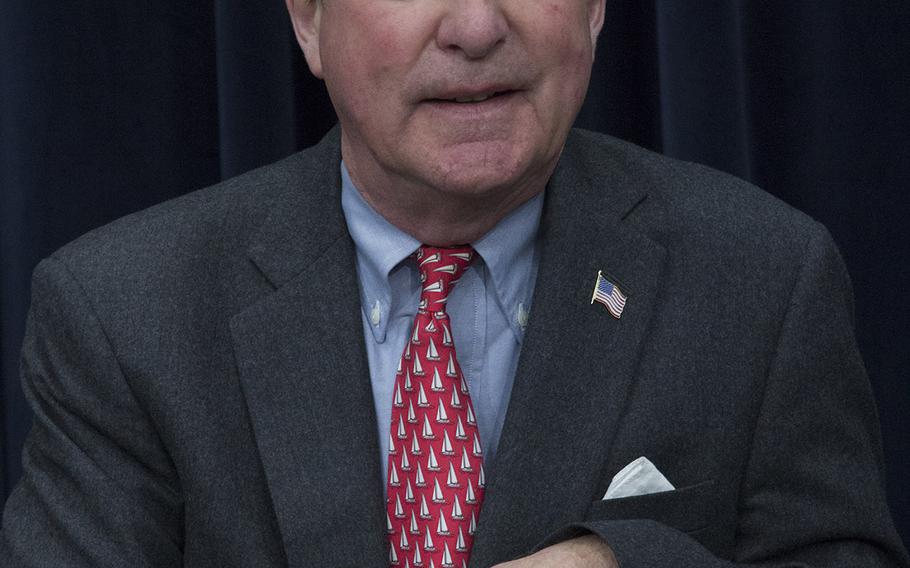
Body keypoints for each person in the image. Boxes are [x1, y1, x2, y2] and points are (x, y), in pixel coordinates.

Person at [2, 0, 908, 566]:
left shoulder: (762, 275)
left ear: (595, 8)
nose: (476, 26)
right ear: (308, 21)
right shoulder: (125, 313)